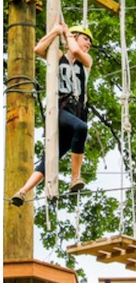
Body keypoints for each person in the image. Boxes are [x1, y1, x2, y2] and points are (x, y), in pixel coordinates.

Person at [12, 22, 94, 207]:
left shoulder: (86, 61)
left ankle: (23, 191)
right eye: (85, 38)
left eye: (89, 41)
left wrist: (66, 32)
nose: (88, 43)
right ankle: (75, 177)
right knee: (81, 128)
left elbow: (75, 50)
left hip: (76, 113)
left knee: (51, 158)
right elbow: (39, 48)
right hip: (60, 110)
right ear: (72, 38)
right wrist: (56, 32)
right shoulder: (57, 57)